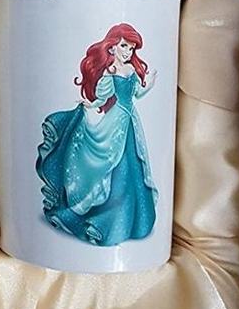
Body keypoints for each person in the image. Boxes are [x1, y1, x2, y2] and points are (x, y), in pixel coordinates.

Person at [36, 23, 158, 246]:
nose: (127, 52)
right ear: (112, 47)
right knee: (114, 164)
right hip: (115, 121)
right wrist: (89, 105)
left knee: (133, 163)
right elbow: (102, 99)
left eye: (131, 48)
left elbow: (137, 93)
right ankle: (106, 217)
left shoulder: (130, 71)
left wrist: (148, 84)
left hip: (130, 121)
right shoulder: (110, 74)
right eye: (124, 46)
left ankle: (133, 219)